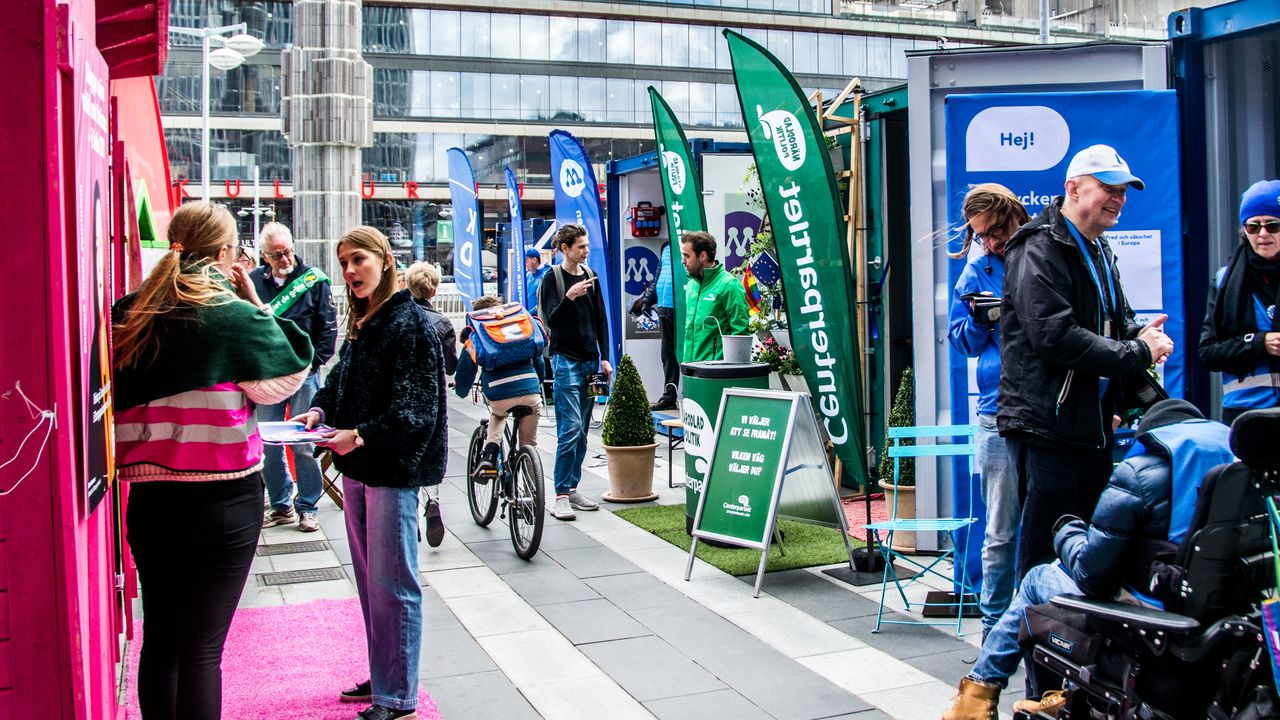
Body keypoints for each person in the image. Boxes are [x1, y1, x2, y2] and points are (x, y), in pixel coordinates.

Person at [114, 202, 313, 720]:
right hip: (223, 498)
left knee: (160, 638)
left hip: (149, 498)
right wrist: (255, 301)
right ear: (226, 254)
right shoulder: (233, 317)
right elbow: (285, 376)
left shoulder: (128, 313)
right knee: (201, 649)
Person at [942, 399, 1234, 720]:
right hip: (1215, 626)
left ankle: (977, 694)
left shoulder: (1139, 475)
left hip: (1148, 624)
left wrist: (1066, 532)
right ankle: (1065, 694)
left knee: (1039, 577)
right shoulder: (1237, 477)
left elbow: (1091, 576)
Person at [999, 144, 1175, 581]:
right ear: (1072, 189)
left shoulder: (1099, 248)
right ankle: (1014, 648)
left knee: (1089, 556)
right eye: (1108, 188)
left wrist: (1141, 335)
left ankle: (1075, 645)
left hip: (1091, 427)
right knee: (1044, 554)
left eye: (1124, 190)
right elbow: (1054, 336)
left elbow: (1117, 320)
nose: (1119, 198)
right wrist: (1137, 351)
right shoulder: (1037, 246)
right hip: (1047, 428)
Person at [293, 227, 447, 720]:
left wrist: (356, 435)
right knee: (371, 585)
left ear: (385, 261)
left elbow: (416, 414)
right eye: (342, 262)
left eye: (357, 259)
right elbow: (341, 376)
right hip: (360, 467)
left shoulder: (410, 325)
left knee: (394, 585)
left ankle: (397, 694)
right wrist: (318, 412)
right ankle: (385, 676)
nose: (348, 270)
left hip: (390, 471)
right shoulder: (367, 320)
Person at [947, 184, 1029, 641]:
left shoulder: (1045, 252)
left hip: (1049, 408)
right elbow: (962, 343)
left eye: (997, 230)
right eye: (983, 236)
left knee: (1052, 523)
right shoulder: (977, 270)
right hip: (997, 412)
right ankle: (995, 630)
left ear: (1014, 213)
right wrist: (981, 318)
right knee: (1000, 531)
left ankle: (1048, 620)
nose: (993, 242)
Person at [249, 222, 338, 532]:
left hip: (303, 374)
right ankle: (281, 504)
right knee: (268, 442)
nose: (284, 258)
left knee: (303, 442)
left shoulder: (313, 280)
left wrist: (314, 364)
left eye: (287, 252)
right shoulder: (253, 283)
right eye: (276, 255)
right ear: (265, 256)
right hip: (267, 377)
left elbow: (327, 326)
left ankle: (308, 506)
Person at [537, 223, 610, 521]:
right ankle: (559, 496)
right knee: (569, 429)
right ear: (565, 248)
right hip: (565, 360)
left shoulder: (591, 276)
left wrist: (605, 358)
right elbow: (552, 320)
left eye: (587, 245)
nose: (586, 250)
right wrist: (570, 296)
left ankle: (572, 487)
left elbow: (602, 320)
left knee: (584, 428)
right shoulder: (551, 278)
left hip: (591, 363)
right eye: (581, 246)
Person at [1199, 179, 1280, 425]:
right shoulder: (1225, 280)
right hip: (1247, 417)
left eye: (1273, 225)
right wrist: (1259, 343)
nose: (1263, 234)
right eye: (1253, 227)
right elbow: (1209, 352)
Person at [455, 295, 543, 475]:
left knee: (498, 414)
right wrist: (537, 382)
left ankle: (489, 454)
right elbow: (538, 359)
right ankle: (533, 494)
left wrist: (461, 391)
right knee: (529, 444)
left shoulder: (478, 333)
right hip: (531, 392)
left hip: (498, 392)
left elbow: (465, 370)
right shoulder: (518, 326)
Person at [681, 231, 750, 361]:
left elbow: (740, 333)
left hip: (717, 373)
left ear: (702, 256)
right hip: (691, 369)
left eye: (687, 256)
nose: (683, 261)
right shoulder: (691, 286)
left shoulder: (729, 285)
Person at [643, 240, 680, 411]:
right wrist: (647, 301)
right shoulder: (666, 247)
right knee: (667, 355)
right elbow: (658, 277)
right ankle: (669, 397)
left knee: (684, 355)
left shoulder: (686, 244)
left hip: (681, 309)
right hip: (664, 309)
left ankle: (688, 396)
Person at [405, 261, 458, 377]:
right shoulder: (442, 323)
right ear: (434, 292)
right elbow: (450, 367)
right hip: (429, 388)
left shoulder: (394, 318)